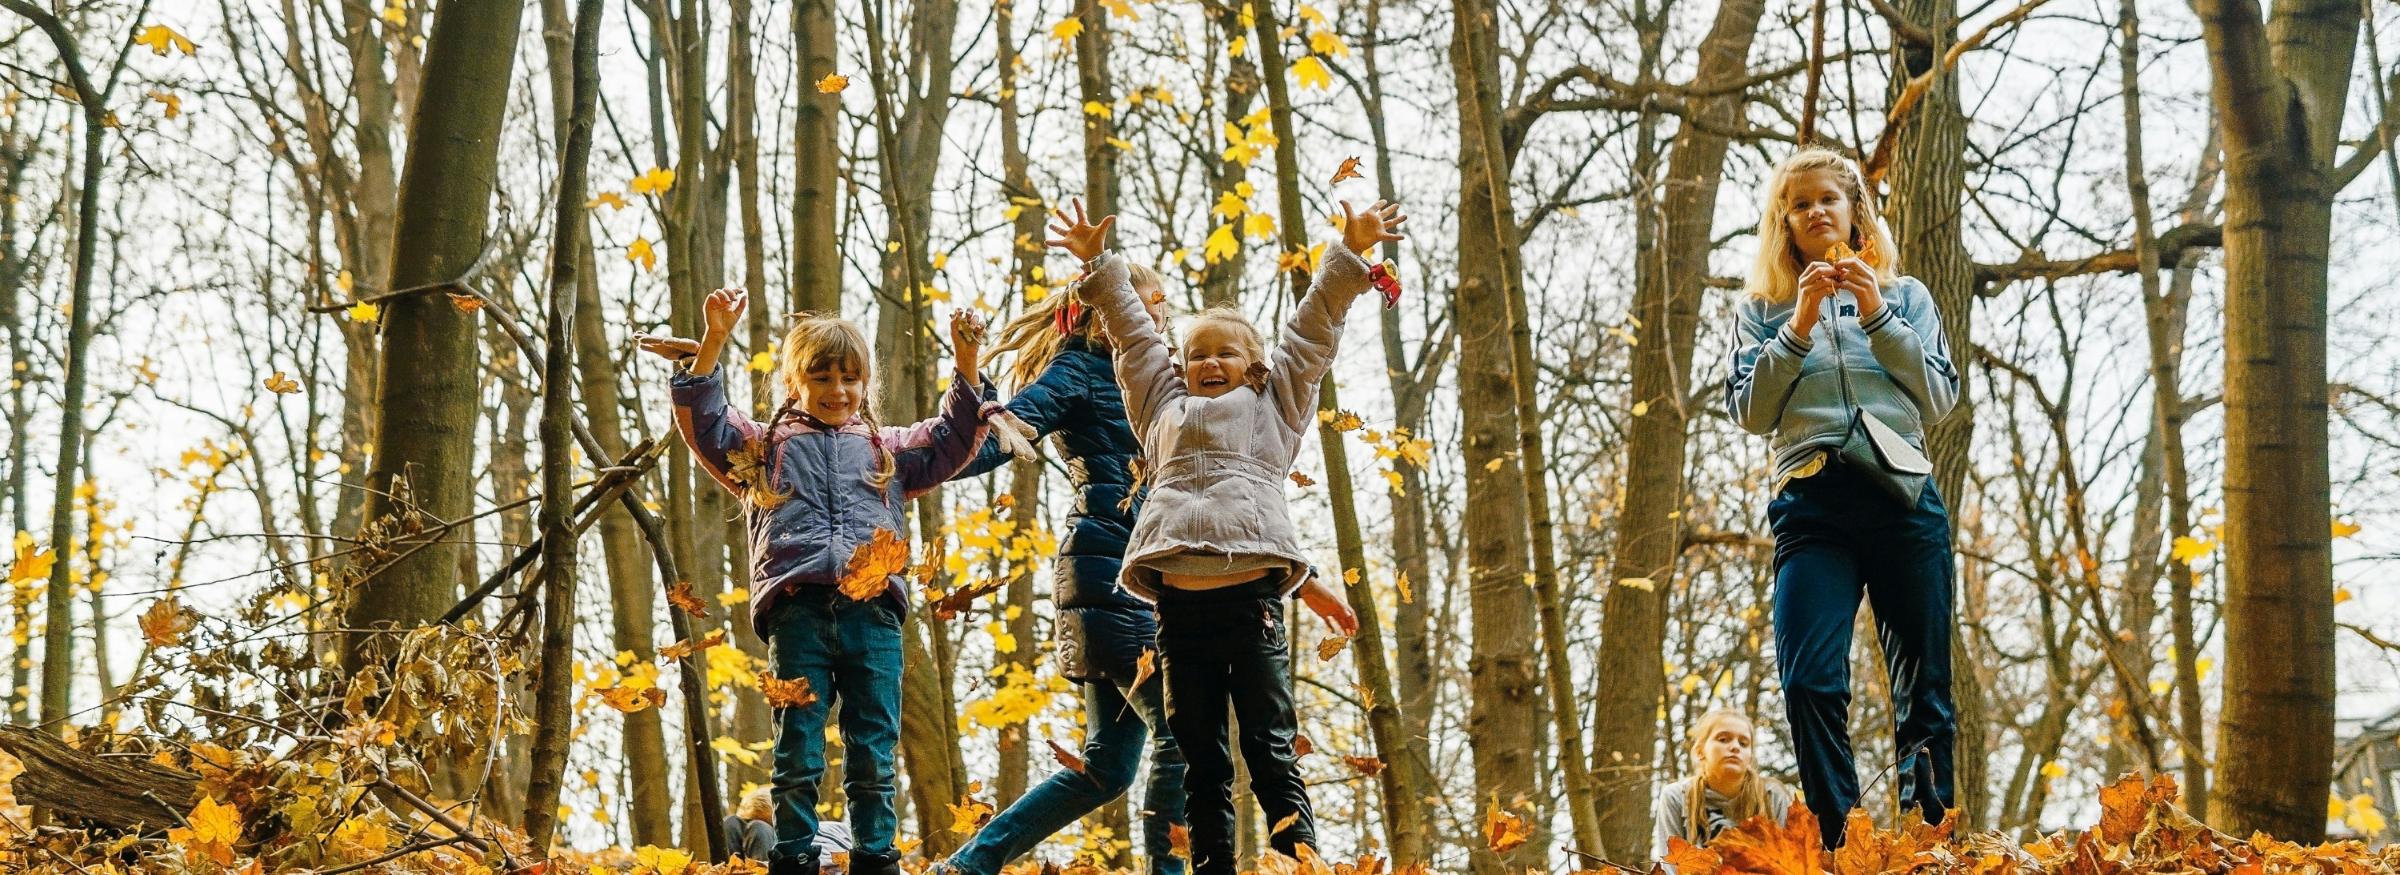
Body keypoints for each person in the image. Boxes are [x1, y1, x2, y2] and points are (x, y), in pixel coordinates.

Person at [1059, 197, 1402, 875]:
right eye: (1197, 355)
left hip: (1251, 610)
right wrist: (1099, 266)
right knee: (1201, 758)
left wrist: (1349, 254)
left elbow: (1311, 333)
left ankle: (1298, 862)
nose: (1209, 362)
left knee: (1270, 749)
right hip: (1180, 615)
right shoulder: (1161, 407)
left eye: (1225, 353)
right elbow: (1134, 339)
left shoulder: (1276, 407)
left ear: (1254, 366)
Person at [652, 292, 1003, 875]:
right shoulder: (765, 449)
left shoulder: (888, 451)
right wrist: (714, 339)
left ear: (865, 383)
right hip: (798, 611)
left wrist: (967, 360)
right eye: (821, 377)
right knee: (798, 747)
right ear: (795, 382)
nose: (837, 390)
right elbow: (706, 423)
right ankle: (792, 857)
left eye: (849, 378)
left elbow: (951, 437)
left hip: (875, 615)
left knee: (873, 749)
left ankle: (875, 858)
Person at [1724, 147, 1961, 847]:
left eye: (1828, 198)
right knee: (1809, 681)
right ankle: (1841, 844)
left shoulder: (1906, 295)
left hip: (1902, 496)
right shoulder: (1761, 310)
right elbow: (1750, 410)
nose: (1815, 211)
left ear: (1855, 210)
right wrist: (1798, 325)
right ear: (1784, 223)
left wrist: (1877, 314)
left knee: (1924, 689)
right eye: (1799, 204)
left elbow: (1939, 396)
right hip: (1812, 504)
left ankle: (1928, 845)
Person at [930, 261, 1189, 875]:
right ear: (1105, 309)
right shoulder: (1080, 370)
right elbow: (992, 442)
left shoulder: (1155, 382)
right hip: (1111, 574)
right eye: (1144, 302)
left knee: (1106, 769)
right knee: (1183, 733)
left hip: (1140, 579)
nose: (1158, 314)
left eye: (1161, 303)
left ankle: (965, 867)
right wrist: (932, 445)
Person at [1650, 710, 1795, 862]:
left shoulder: (1772, 796)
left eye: (1743, 743)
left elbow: (1790, 861)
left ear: (1750, 758)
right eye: (1723, 739)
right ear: (1700, 751)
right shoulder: (1676, 797)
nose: (1735, 747)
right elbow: (1670, 865)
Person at [728, 786, 780, 862]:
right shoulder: (733, 824)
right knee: (731, 822)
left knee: (759, 828)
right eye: (747, 821)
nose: (751, 832)